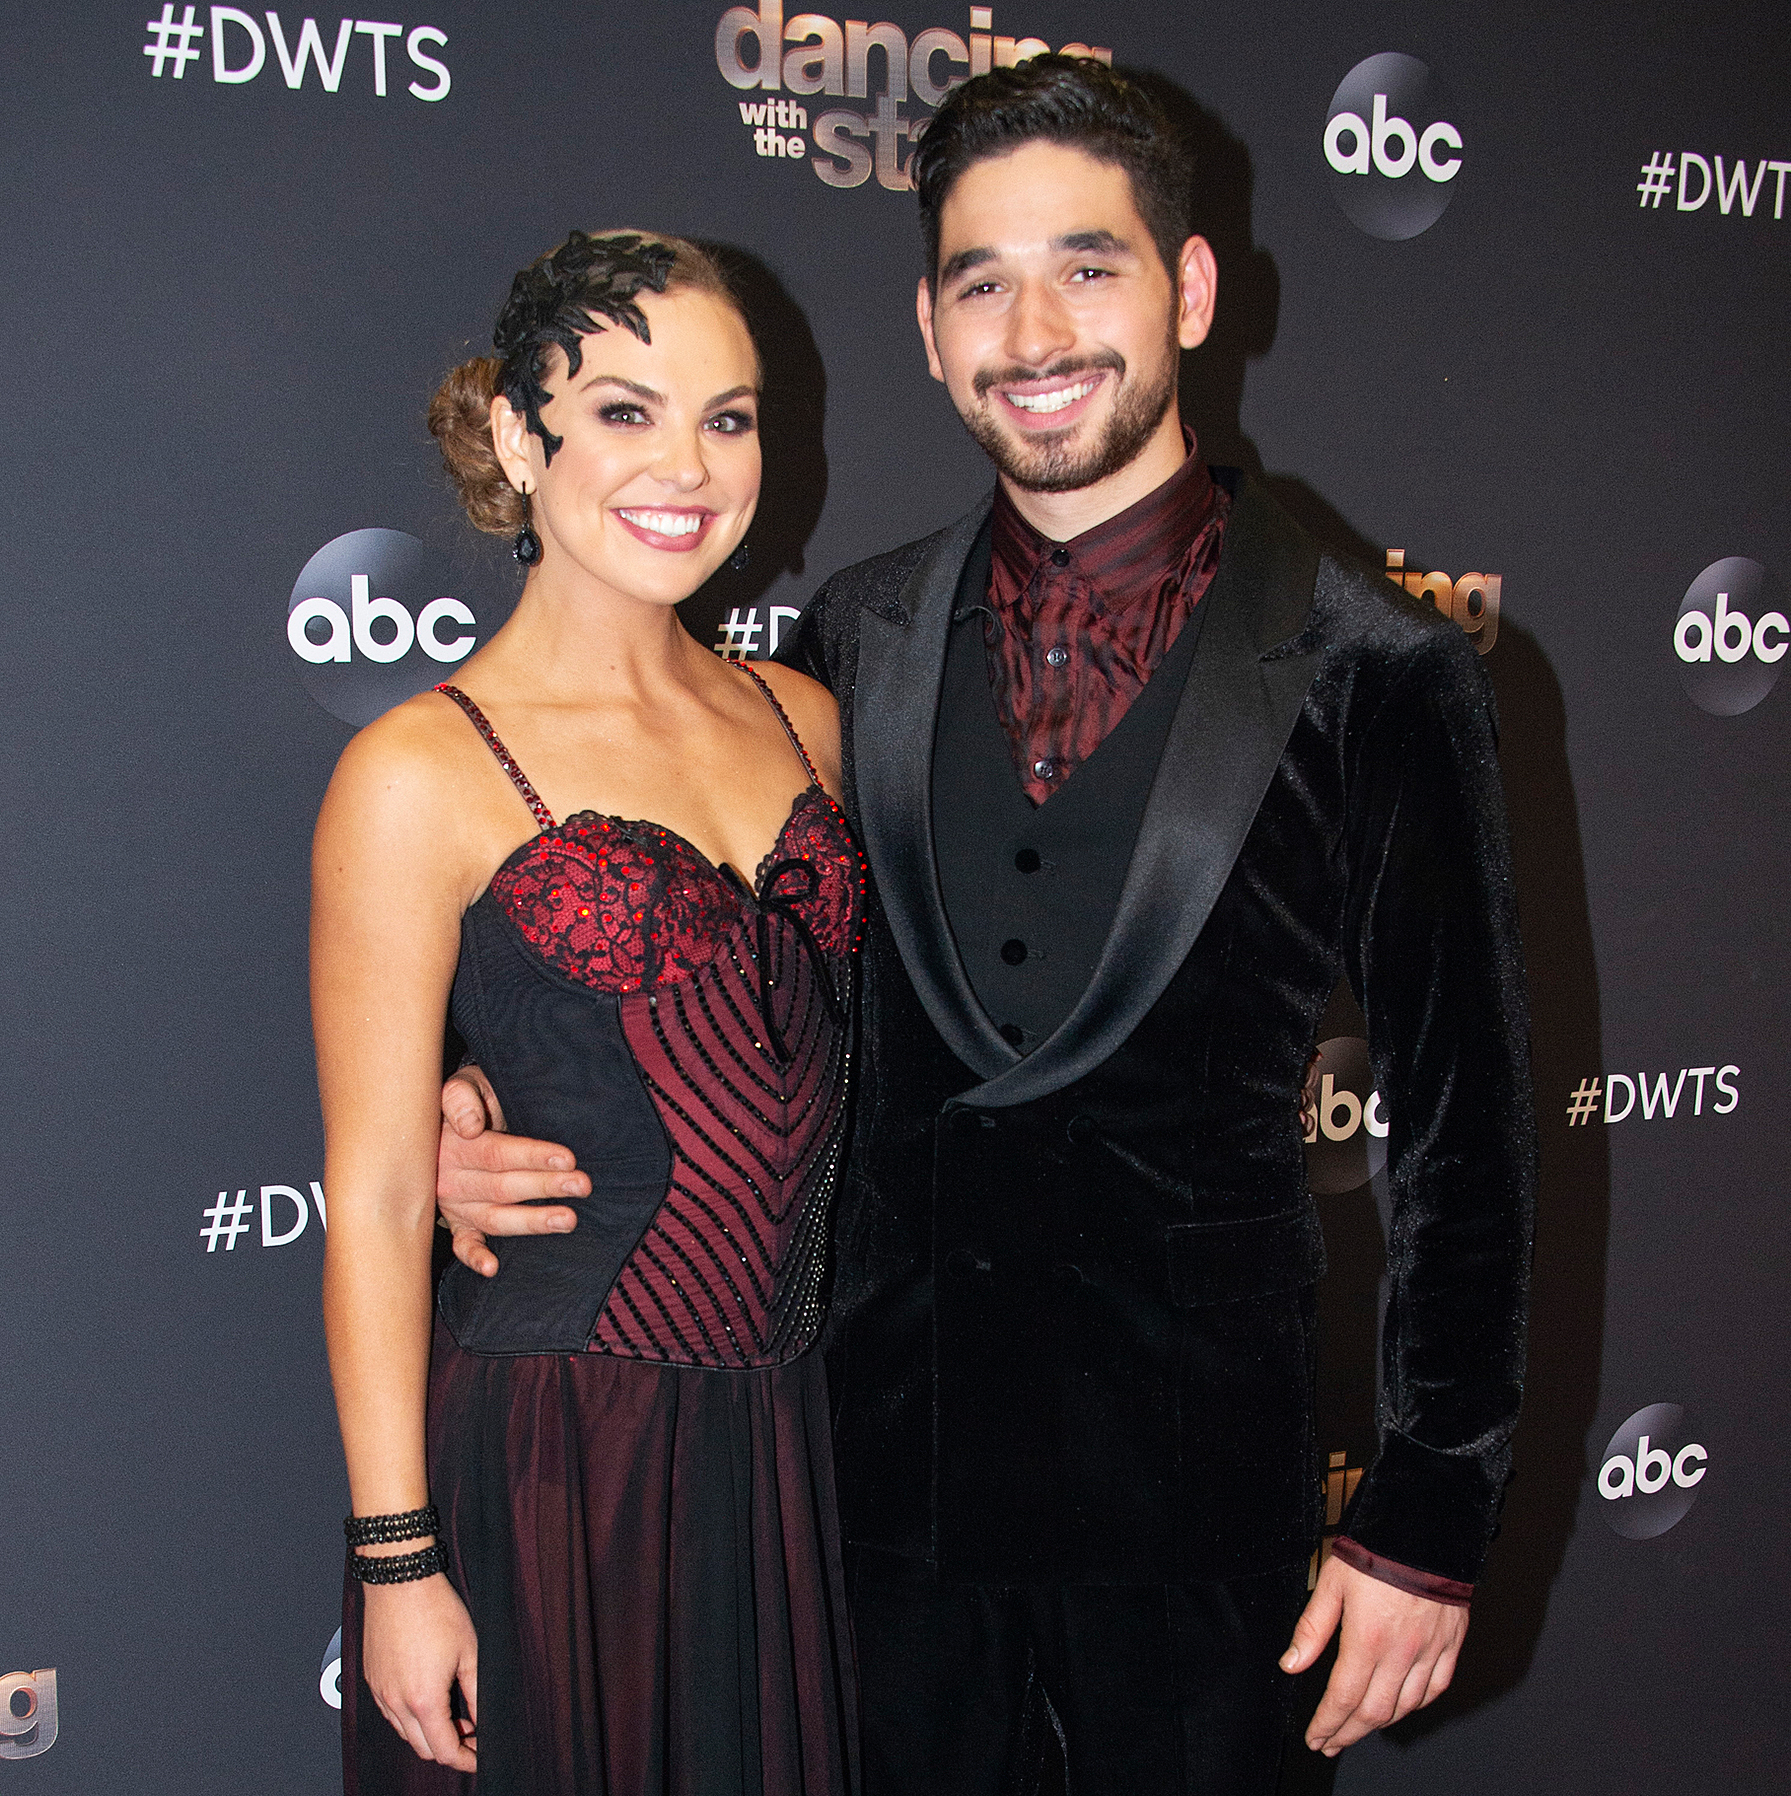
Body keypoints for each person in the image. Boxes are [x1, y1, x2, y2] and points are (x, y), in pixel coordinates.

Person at [435, 59, 1537, 1795]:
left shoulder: (1375, 670)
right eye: (981, 284)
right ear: (931, 333)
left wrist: (1430, 1509)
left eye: (1088, 268)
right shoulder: (849, 643)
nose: (1035, 333)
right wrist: (472, 1110)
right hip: (877, 1489)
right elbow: (720, 971)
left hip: (1201, 1513)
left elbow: (1468, 1128)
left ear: (1189, 289)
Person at [311, 228, 862, 1795]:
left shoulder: (808, 719)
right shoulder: (417, 772)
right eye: (625, 411)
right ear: (515, 436)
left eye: (727, 417)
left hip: (776, 1448)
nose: (686, 465)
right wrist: (400, 1561)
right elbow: (374, 1198)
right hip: (554, 1460)